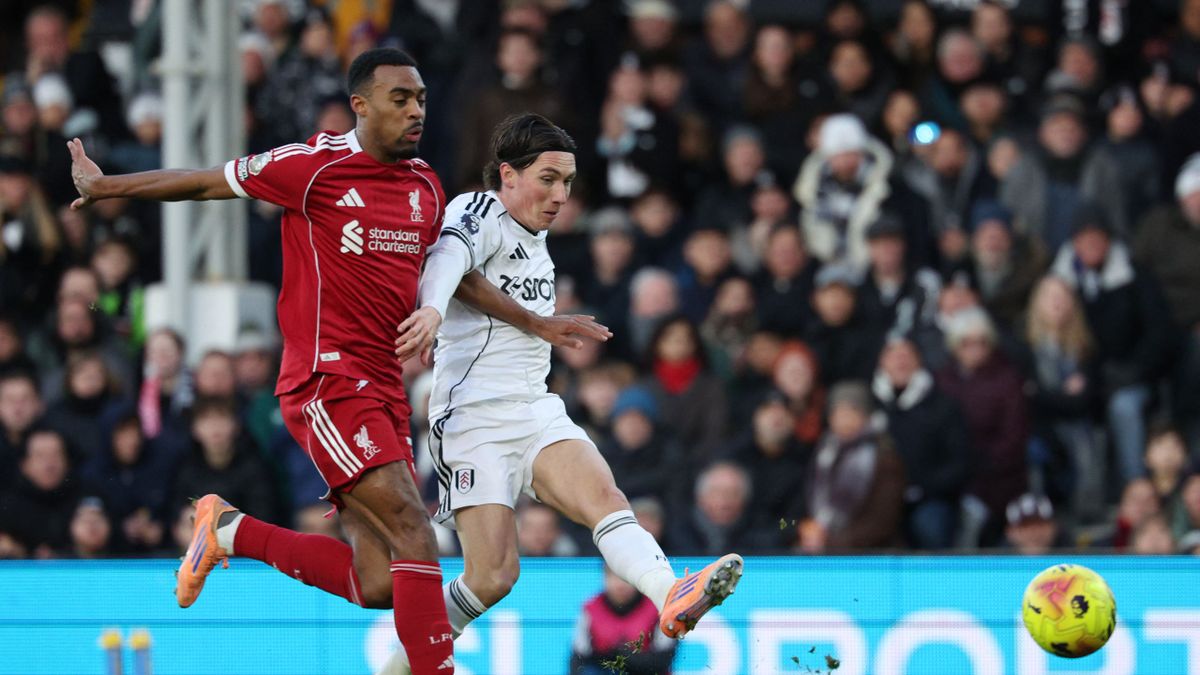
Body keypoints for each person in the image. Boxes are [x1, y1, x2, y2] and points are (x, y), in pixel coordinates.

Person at [67, 48, 463, 673]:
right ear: (360, 105)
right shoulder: (312, 166)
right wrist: (107, 185)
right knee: (417, 532)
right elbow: (204, 181)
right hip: (326, 379)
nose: (415, 111)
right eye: (399, 99)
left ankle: (229, 530)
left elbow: (452, 270)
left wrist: (533, 320)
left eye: (420, 99)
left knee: (381, 580)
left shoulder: (424, 185)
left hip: (385, 386)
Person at [380, 113, 742, 674]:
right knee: (492, 577)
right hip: (473, 418)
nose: (560, 194)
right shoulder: (478, 210)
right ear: (508, 174)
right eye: (548, 178)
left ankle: (671, 594)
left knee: (608, 501)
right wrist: (431, 309)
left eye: (568, 182)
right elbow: (447, 258)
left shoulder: (538, 238)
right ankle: (405, 663)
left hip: (536, 407)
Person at [569, 567, 678, 675]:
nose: (620, 585)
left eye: (626, 578)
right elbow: (578, 659)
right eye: (614, 577)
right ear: (605, 577)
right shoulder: (590, 610)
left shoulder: (659, 609)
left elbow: (663, 660)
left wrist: (624, 657)